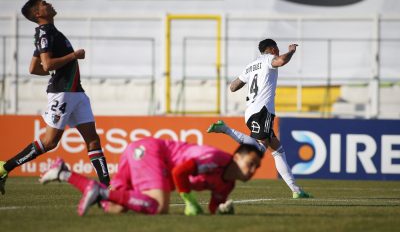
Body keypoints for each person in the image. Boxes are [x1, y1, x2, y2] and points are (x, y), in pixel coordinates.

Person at [0, 0, 110, 195]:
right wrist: (73, 56)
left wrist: (58, 67)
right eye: (43, 4)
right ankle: (4, 167)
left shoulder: (49, 32)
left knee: (93, 140)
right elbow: (48, 64)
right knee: (50, 142)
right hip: (63, 93)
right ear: (37, 13)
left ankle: (106, 187)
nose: (48, 4)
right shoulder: (44, 33)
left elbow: (35, 68)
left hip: (76, 92)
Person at [39, 137, 264, 216]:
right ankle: (100, 190)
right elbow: (179, 172)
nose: (253, 170)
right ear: (236, 158)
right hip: (150, 152)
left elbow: (215, 205)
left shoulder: (229, 184)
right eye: (250, 163)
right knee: (158, 206)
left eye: (256, 167)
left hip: (143, 156)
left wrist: (223, 210)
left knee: (115, 209)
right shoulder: (214, 158)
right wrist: (189, 201)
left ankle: (64, 173)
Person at [208, 39, 311, 199]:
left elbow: (233, 86)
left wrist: (246, 78)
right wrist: (291, 51)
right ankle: (225, 129)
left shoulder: (251, 65)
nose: (278, 51)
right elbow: (282, 60)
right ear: (271, 49)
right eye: (276, 48)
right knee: (258, 150)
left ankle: (296, 190)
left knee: (278, 150)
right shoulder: (269, 59)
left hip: (250, 112)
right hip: (263, 111)